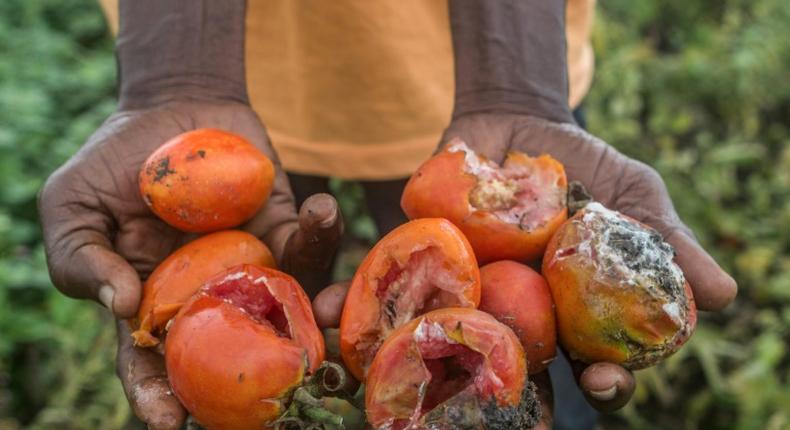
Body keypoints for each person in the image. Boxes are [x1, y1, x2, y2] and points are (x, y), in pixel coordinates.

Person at [39, 1, 737, 429]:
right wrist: (179, 77)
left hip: (508, 66)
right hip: (229, 88)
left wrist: (518, 89)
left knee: (548, 370)